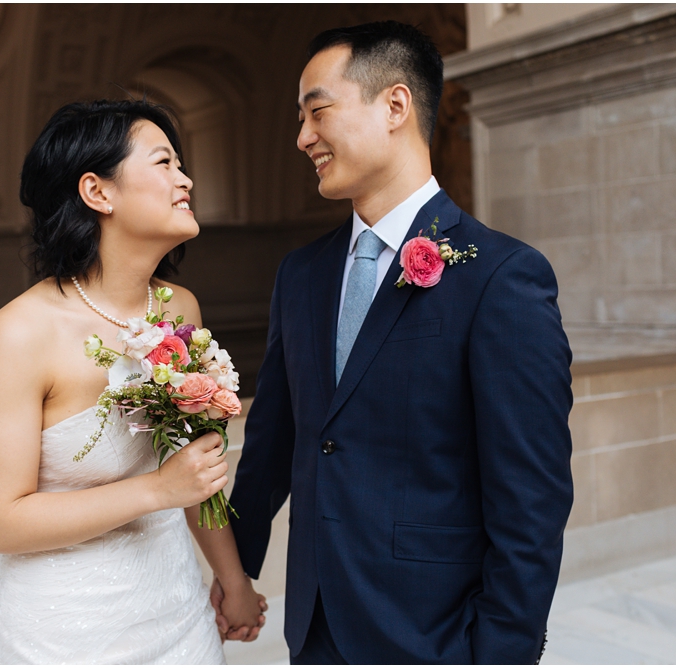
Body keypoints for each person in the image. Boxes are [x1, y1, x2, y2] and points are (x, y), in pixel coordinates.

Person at [214, 22, 574, 664]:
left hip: (436, 635)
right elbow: (272, 446)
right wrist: (232, 572)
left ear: (396, 106)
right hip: (316, 626)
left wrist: (499, 654)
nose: (302, 138)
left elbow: (531, 502)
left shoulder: (500, 277)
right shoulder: (301, 275)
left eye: (317, 111)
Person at [0, 99, 265, 664]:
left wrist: (235, 580)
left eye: (180, 164)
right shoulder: (18, 333)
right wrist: (156, 490)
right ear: (97, 192)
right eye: (164, 163)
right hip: (66, 627)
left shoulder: (178, 308)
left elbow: (193, 468)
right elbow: (1, 521)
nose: (186, 180)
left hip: (177, 612)